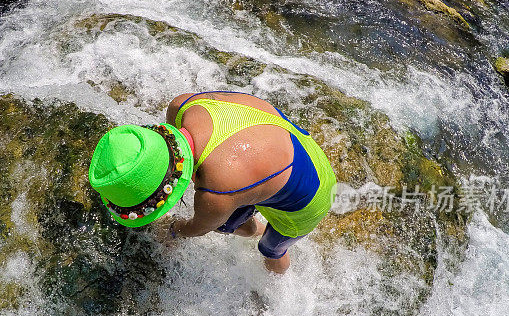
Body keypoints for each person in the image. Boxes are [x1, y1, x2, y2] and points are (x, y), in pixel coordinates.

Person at [88, 91, 336, 273]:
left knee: (271, 248)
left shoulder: (216, 192)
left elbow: (198, 226)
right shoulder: (182, 106)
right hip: (297, 144)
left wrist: (174, 230)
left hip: (311, 196)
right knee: (230, 210)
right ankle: (251, 225)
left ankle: (278, 285)